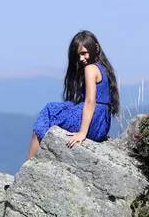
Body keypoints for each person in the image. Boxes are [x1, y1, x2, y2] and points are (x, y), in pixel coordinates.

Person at [26, 30, 120, 160]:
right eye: (78, 55)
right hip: (101, 125)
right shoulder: (104, 68)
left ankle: (29, 164)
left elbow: (90, 101)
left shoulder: (90, 69)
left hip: (91, 122)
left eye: (84, 53)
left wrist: (82, 133)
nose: (81, 59)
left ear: (96, 48)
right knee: (63, 106)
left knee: (48, 111)